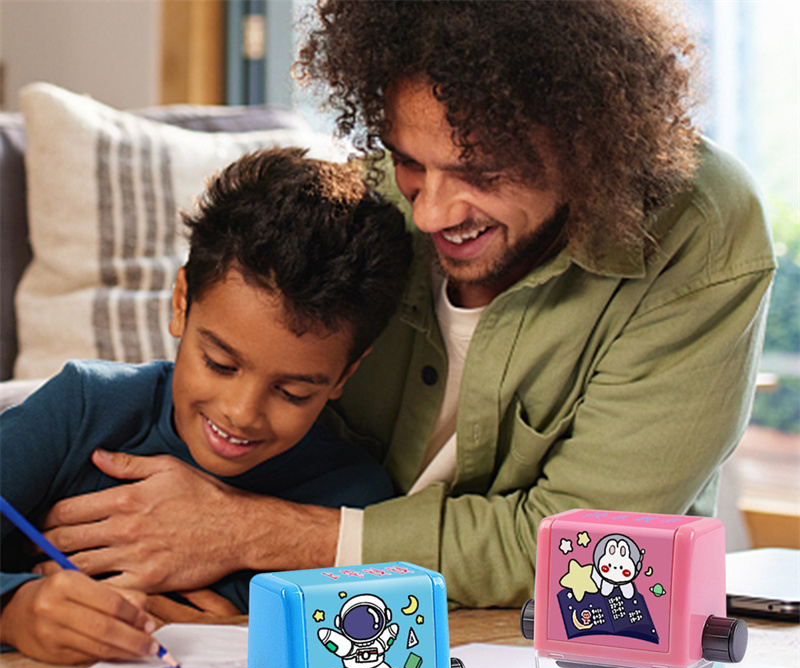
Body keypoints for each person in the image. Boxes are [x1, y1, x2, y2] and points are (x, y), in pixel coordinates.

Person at [29, 1, 776, 611]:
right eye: (409, 160)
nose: (429, 214)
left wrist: (249, 535)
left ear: (586, 141)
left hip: (571, 635)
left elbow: (587, 553)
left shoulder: (701, 235)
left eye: (481, 173)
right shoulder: (363, 215)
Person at [0, 147, 412, 663]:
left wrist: (240, 632)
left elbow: (362, 651)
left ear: (345, 375)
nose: (242, 412)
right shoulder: (83, 408)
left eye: (293, 392)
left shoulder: (353, 504)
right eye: (220, 363)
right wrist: (13, 611)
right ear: (181, 302)